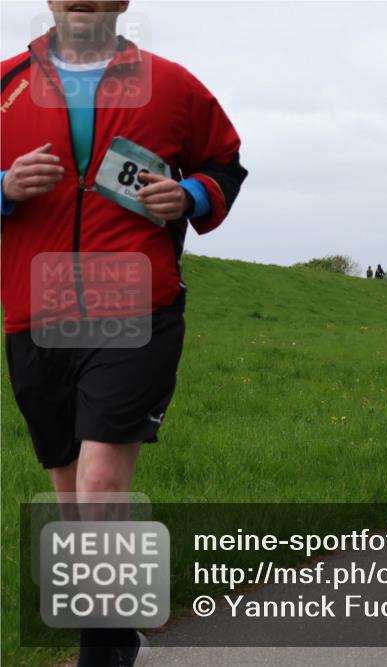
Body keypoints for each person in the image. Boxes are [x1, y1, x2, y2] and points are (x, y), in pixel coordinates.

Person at [1, 3, 247, 665]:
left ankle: (101, 654)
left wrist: (191, 195)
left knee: (103, 482)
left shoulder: (173, 85)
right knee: (72, 499)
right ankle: (117, 627)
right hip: (34, 315)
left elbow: (226, 163)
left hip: (137, 308)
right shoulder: (4, 84)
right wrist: (4, 185)